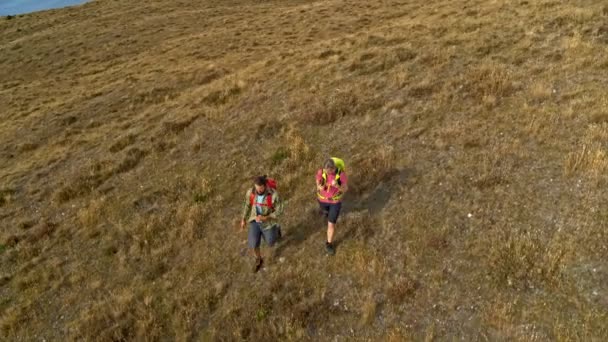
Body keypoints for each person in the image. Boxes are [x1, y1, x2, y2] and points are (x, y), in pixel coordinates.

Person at [240, 175, 284, 272]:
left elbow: (280, 210)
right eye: (256, 189)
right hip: (255, 220)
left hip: (268, 222)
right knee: (253, 243)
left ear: (265, 186)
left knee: (271, 242)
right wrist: (243, 219)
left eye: (260, 189)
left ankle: (276, 229)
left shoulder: (273, 195)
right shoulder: (251, 193)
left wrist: (267, 217)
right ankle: (258, 259)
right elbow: (247, 205)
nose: (258, 191)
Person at [316, 158, 348, 255]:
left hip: (335, 202)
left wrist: (337, 185)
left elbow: (345, 189)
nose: (328, 173)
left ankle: (329, 244)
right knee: (325, 213)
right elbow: (318, 184)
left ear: (333, 169)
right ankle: (326, 213)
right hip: (322, 201)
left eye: (330, 172)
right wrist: (320, 186)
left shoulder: (341, 174)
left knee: (331, 224)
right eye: (326, 172)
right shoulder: (321, 172)